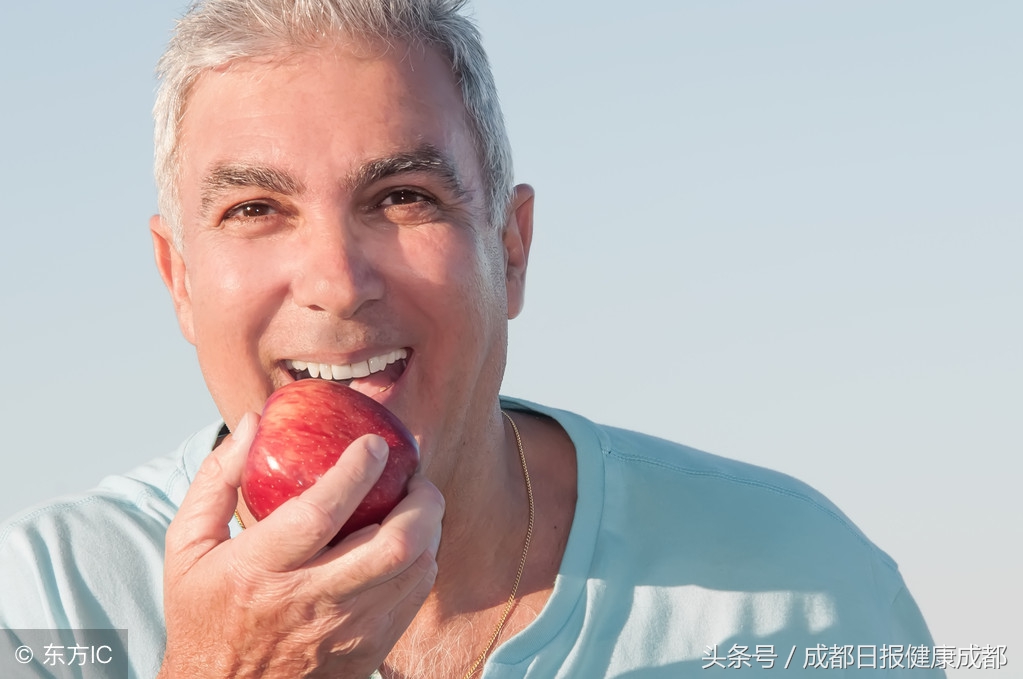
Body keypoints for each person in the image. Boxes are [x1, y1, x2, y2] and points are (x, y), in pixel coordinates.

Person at [0, 0, 944, 677]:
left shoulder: (797, 587)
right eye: (255, 207)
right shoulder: (42, 607)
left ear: (512, 247)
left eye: (402, 197)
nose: (335, 280)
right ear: (178, 280)